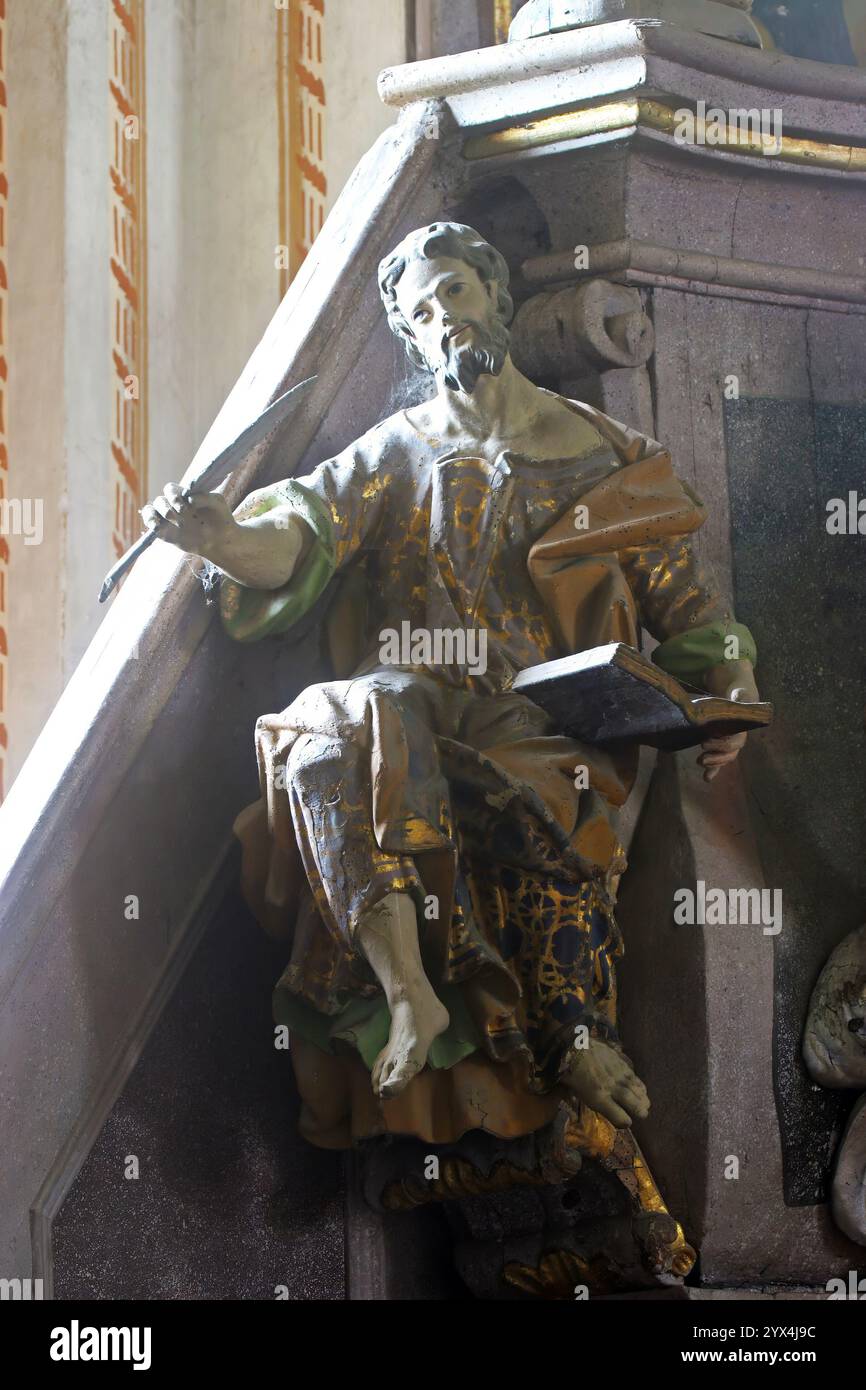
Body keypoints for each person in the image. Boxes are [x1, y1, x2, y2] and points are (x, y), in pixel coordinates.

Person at [142, 223, 759, 1148]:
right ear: (410, 337)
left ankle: (566, 1025)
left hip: (545, 721)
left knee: (526, 790)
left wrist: (732, 688)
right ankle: (408, 994)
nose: (442, 321)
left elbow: (685, 598)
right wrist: (220, 541)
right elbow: (298, 541)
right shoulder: (394, 451)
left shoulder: (603, 449)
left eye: (455, 293)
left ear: (497, 298)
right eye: (420, 313)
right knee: (331, 719)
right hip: (416, 714)